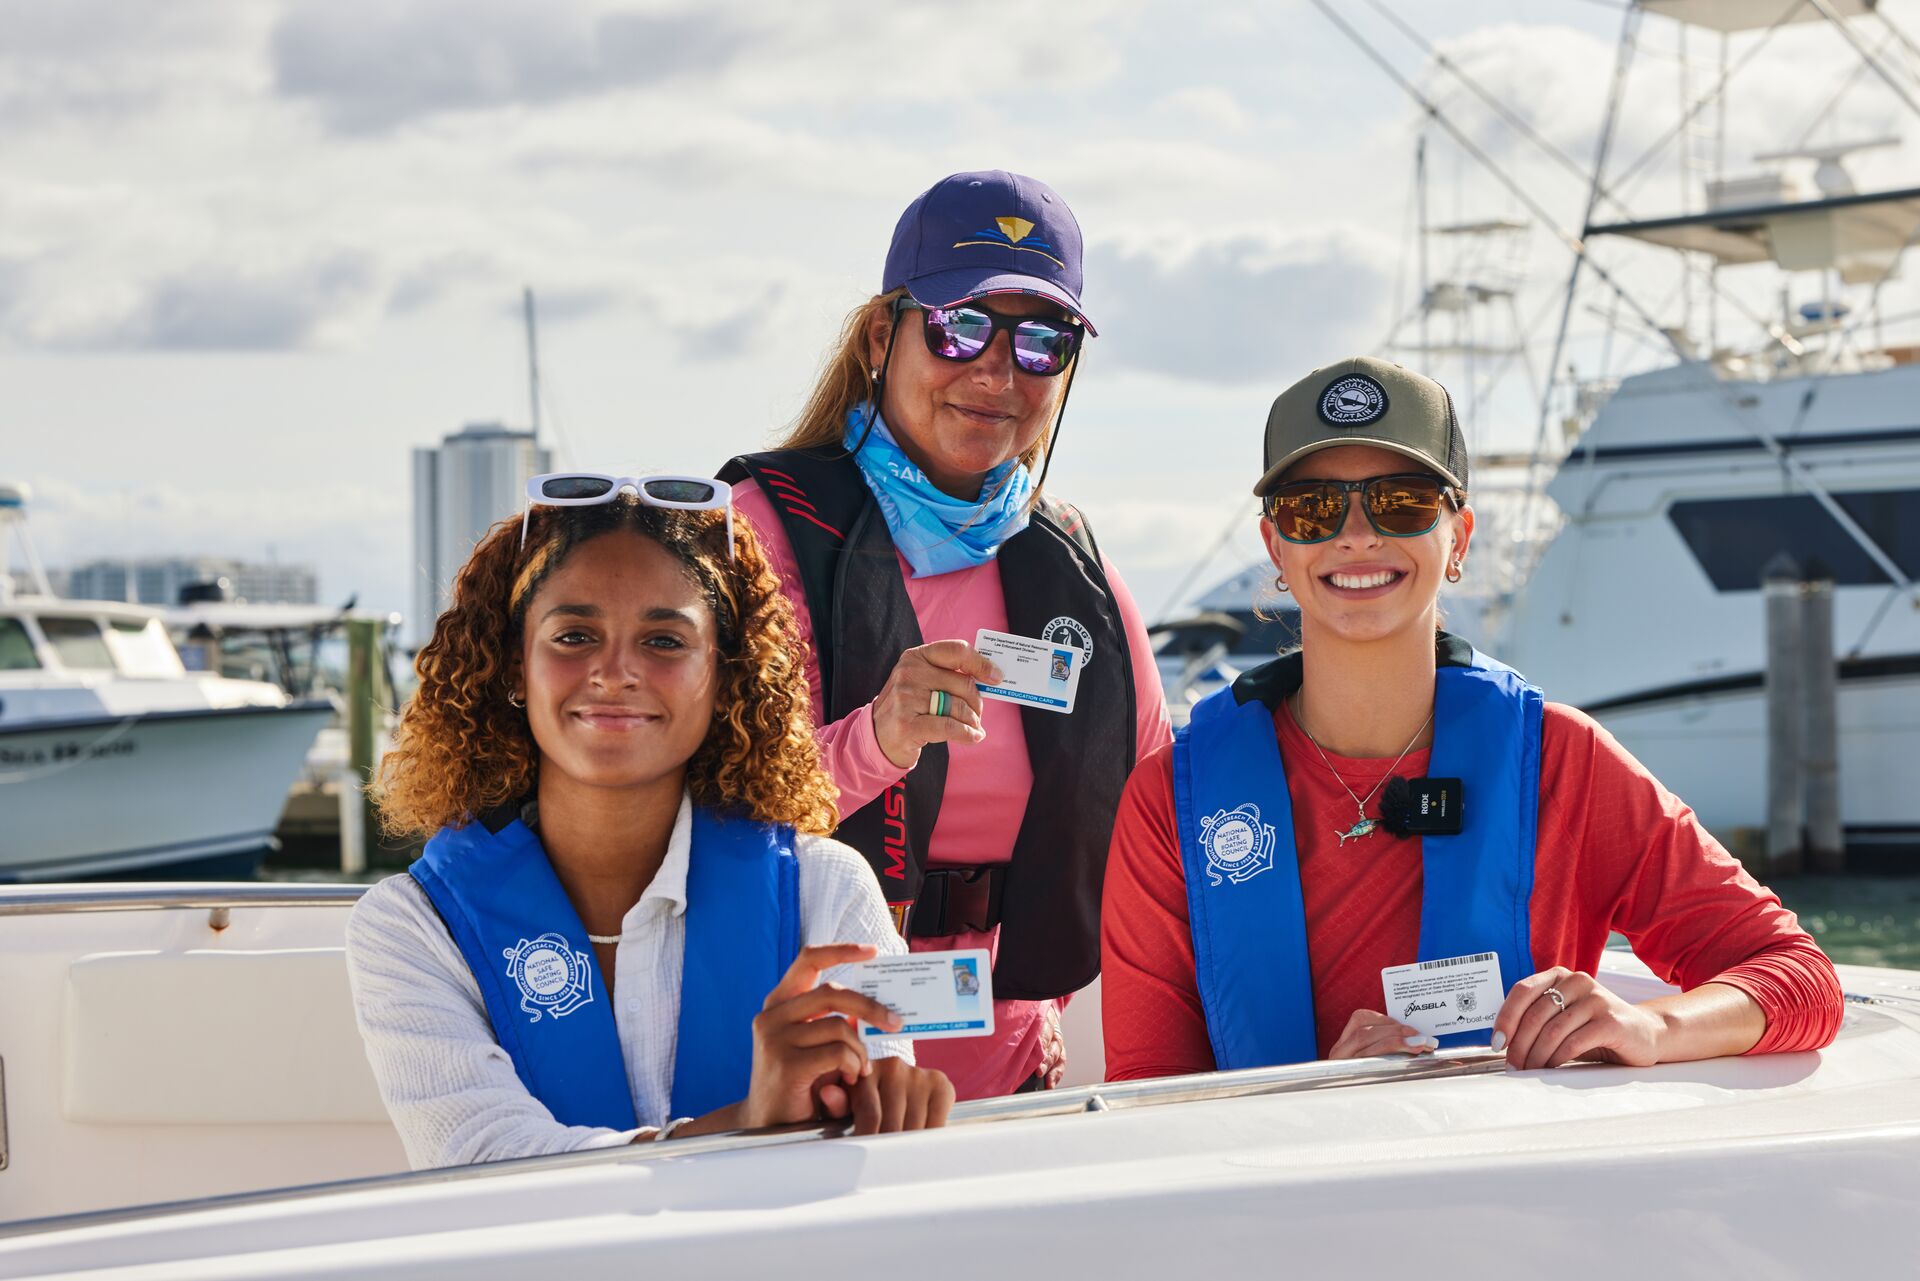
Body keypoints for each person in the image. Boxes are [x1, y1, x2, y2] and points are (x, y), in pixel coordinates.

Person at [1101, 357, 1844, 1079]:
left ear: (1458, 537)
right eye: (1313, 508)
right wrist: (1324, 1093)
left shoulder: (1563, 762)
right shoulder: (1172, 800)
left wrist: (1649, 1027)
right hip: (1279, 1167)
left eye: (1401, 502)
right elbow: (1149, 1092)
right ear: (1277, 546)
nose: (1356, 535)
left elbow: (1799, 976)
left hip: (1513, 1167)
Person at [347, 476, 953, 1169]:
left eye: (664, 640)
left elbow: (863, 1149)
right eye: (574, 636)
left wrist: (882, 1106)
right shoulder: (413, 924)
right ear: (516, 664)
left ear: (725, 674)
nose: (615, 672)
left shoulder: (829, 891)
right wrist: (748, 1125)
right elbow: (479, 1158)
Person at [720, 171, 1172, 1099]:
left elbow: (1160, 798)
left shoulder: (1073, 564)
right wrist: (878, 739)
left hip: (1013, 1068)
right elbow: (704, 808)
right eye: (959, 326)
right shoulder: (756, 536)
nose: (997, 372)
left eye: (1041, 343)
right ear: (880, 337)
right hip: (807, 1066)